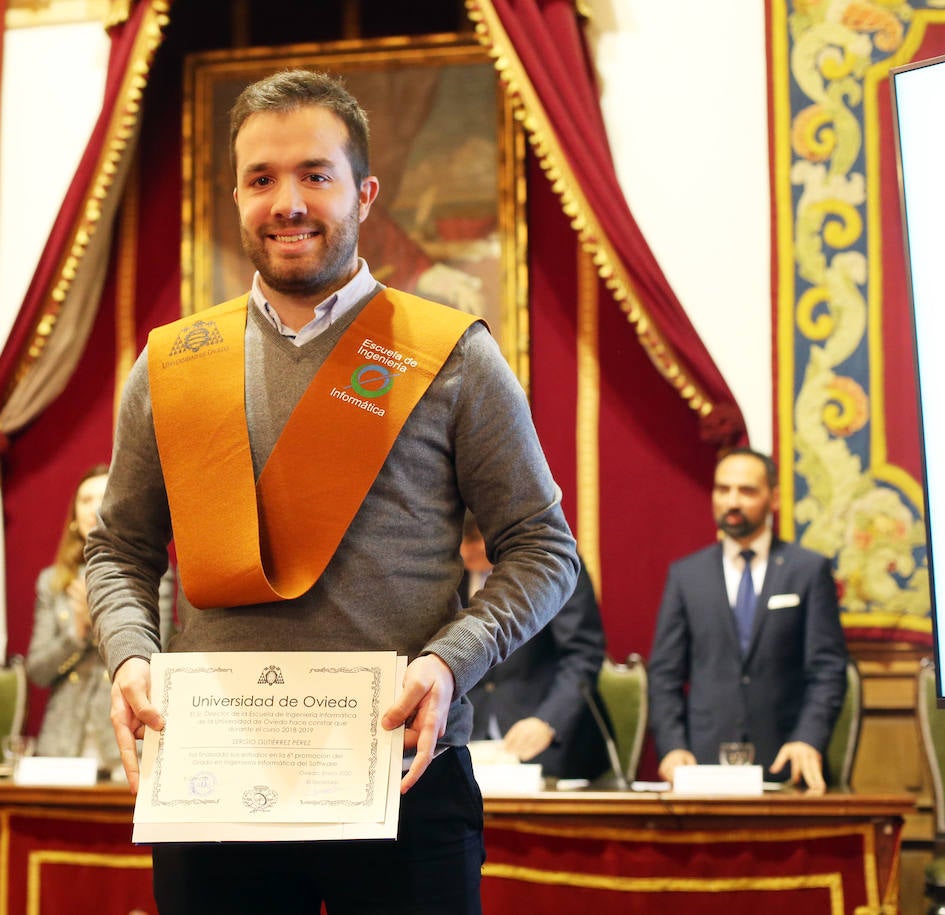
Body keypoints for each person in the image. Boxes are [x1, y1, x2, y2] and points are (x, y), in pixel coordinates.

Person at [86, 69, 578, 914]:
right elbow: (119, 549)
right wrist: (130, 653)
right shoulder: (169, 362)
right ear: (234, 193)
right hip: (213, 781)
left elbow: (544, 550)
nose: (288, 201)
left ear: (364, 193)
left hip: (402, 774)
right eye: (261, 177)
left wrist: (450, 662)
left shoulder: (452, 354)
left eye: (316, 174)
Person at [647, 448, 849, 792]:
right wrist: (673, 747)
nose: (732, 501)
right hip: (703, 765)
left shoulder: (808, 570)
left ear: (774, 498)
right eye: (723, 490)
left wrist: (808, 738)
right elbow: (664, 673)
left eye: (747, 491)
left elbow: (828, 670)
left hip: (785, 761)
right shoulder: (686, 575)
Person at [462, 514, 611, 780]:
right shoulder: (446, 569)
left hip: (548, 741)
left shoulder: (552, 559)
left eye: (474, 541)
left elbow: (582, 655)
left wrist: (548, 721)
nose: (464, 551)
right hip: (469, 742)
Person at [25, 465, 121, 769]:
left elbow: (153, 655)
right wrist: (77, 631)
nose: (93, 508)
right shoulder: (53, 581)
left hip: (122, 738)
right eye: (84, 499)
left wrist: (100, 624)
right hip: (63, 743)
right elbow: (38, 671)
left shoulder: (152, 576)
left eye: (103, 497)